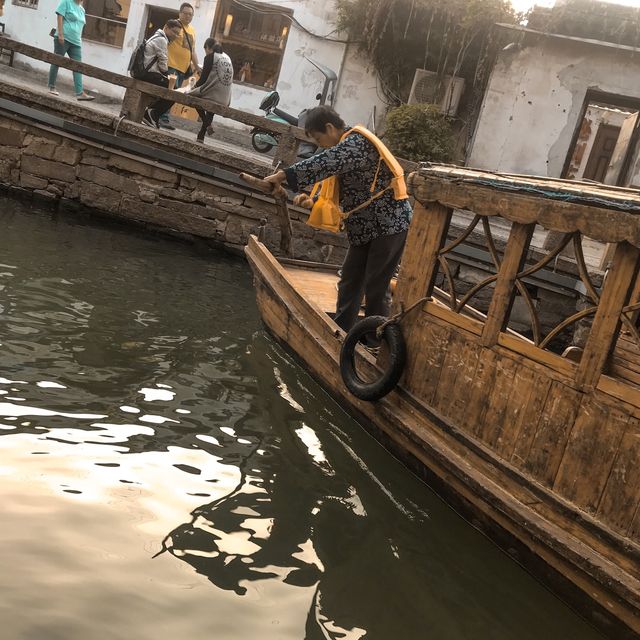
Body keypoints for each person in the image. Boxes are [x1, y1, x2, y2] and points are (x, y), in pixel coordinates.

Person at [264, 106, 412, 333]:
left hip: (389, 225)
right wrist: (310, 200)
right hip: (365, 227)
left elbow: (326, 162)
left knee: (376, 287)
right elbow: (335, 186)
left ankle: (375, 343)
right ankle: (342, 333)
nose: (319, 144)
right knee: (350, 281)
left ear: (330, 128)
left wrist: (284, 175)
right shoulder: (345, 146)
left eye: (318, 138)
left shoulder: (355, 143)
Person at [158, 2, 199, 130]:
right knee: (168, 92)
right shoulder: (173, 25)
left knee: (174, 94)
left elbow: (192, 50)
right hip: (171, 65)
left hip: (182, 68)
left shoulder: (192, 31)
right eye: (185, 13)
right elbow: (163, 38)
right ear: (180, 13)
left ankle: (161, 116)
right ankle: (160, 117)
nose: (188, 16)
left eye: (190, 14)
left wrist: (197, 66)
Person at [140, 19, 183, 128]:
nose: (176, 35)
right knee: (175, 91)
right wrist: (168, 76)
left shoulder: (158, 36)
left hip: (146, 72)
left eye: (178, 34)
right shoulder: (162, 40)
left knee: (171, 87)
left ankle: (152, 113)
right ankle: (152, 113)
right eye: (174, 32)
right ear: (166, 28)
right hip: (148, 74)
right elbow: (163, 65)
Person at [48, 0, 95, 101]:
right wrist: (60, 34)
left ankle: (79, 93)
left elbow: (80, 26)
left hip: (76, 42)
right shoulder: (66, 2)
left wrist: (79, 39)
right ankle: (51, 86)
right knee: (57, 61)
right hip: (63, 38)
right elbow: (59, 17)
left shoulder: (82, 9)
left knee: (78, 66)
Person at [188, 38, 233, 143]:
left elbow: (203, 80)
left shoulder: (210, 57)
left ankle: (207, 124)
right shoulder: (227, 57)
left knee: (192, 97)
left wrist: (193, 88)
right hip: (225, 98)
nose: (206, 52)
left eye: (206, 50)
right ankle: (201, 136)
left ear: (208, 48)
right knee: (211, 107)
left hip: (213, 95)